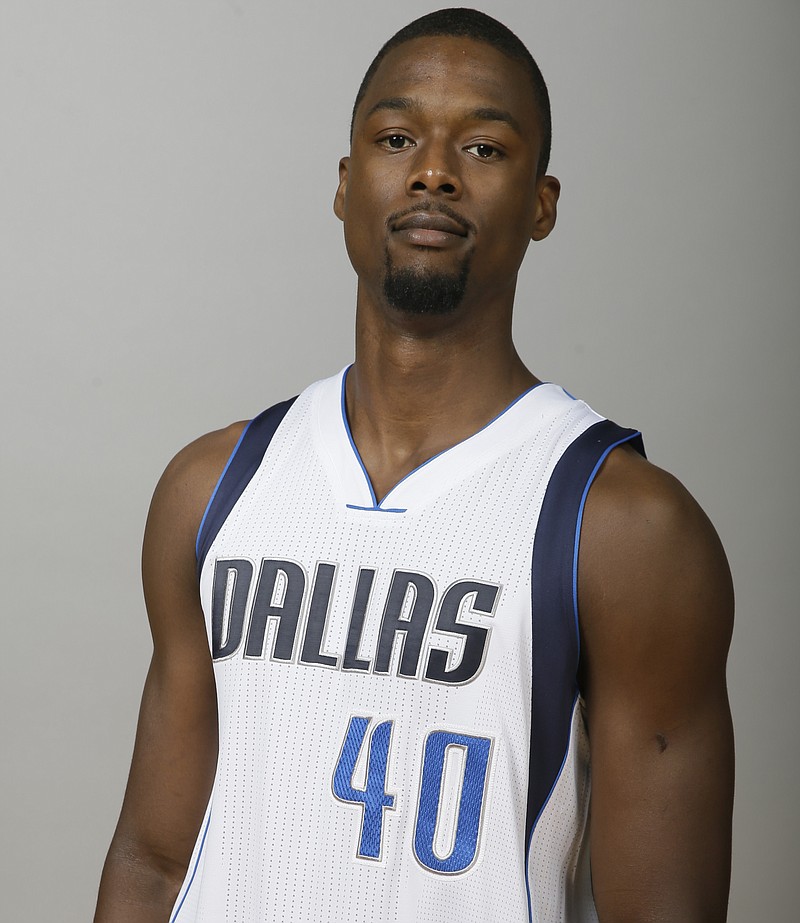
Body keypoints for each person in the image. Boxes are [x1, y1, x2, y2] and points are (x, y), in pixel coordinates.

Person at [94, 8, 734, 922]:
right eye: (398, 139)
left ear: (543, 203)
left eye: (482, 147)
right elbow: (153, 861)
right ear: (348, 184)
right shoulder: (212, 490)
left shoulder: (623, 527)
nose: (432, 170)